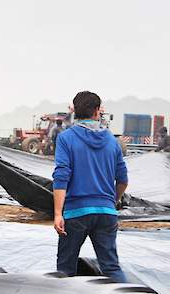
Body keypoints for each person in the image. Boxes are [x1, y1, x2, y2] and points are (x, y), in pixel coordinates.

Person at [52, 91, 128, 282]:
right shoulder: (112, 141)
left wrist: (58, 213)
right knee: (111, 268)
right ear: (97, 111)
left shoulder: (66, 138)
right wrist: (113, 201)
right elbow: (123, 179)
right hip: (106, 213)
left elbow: (61, 176)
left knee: (65, 270)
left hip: (76, 213)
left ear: (75, 111)